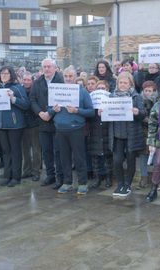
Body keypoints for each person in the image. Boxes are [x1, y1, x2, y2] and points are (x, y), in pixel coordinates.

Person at [50, 66, 94, 195]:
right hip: (60, 130)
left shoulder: (82, 92)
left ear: (75, 77)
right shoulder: (56, 91)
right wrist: (53, 110)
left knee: (79, 157)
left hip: (76, 129)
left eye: (71, 76)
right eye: (66, 76)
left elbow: (91, 111)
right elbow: (49, 109)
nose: (68, 79)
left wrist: (77, 111)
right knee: (64, 158)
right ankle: (67, 182)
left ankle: (82, 183)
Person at [100, 72, 145, 197]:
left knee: (131, 160)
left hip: (131, 135)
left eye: (125, 82)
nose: (123, 85)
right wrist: (102, 112)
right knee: (117, 161)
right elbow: (107, 116)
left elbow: (143, 114)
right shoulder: (111, 97)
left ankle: (127, 185)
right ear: (117, 83)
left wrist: (137, 112)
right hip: (116, 135)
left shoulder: (136, 97)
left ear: (130, 83)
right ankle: (120, 184)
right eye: (121, 82)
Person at [0, 66, 30, 187]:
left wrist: (13, 98)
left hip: (14, 125)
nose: (4, 75)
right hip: (0, 124)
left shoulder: (17, 88)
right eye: (2, 73)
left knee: (15, 151)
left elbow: (26, 105)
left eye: (6, 73)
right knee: (5, 151)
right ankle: (7, 175)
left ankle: (16, 177)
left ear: (11, 75)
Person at [30, 58, 64, 189]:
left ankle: (60, 177)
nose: (47, 69)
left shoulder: (61, 80)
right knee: (46, 151)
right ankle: (50, 175)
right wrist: (40, 113)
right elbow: (32, 100)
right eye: (44, 67)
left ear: (55, 68)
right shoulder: (38, 82)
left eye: (49, 66)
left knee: (58, 151)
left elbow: (62, 100)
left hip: (57, 121)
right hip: (43, 121)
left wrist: (50, 113)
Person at [86, 80, 113, 188]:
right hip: (95, 131)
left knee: (108, 157)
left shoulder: (112, 100)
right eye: (99, 89)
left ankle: (109, 178)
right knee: (95, 157)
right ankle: (97, 178)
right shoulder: (92, 101)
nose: (101, 91)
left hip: (107, 131)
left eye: (103, 88)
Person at [136, 80, 158, 190]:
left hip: (155, 132)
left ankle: (156, 179)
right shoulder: (139, 101)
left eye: (150, 90)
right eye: (146, 90)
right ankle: (143, 178)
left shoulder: (158, 101)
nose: (148, 93)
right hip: (142, 131)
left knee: (156, 156)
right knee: (143, 156)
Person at [21, 72, 41, 182]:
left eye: (28, 80)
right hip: (23, 123)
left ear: (32, 81)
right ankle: (27, 170)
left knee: (36, 149)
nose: (26, 82)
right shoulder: (19, 90)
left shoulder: (36, 90)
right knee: (25, 149)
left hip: (34, 123)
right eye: (25, 80)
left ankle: (36, 171)